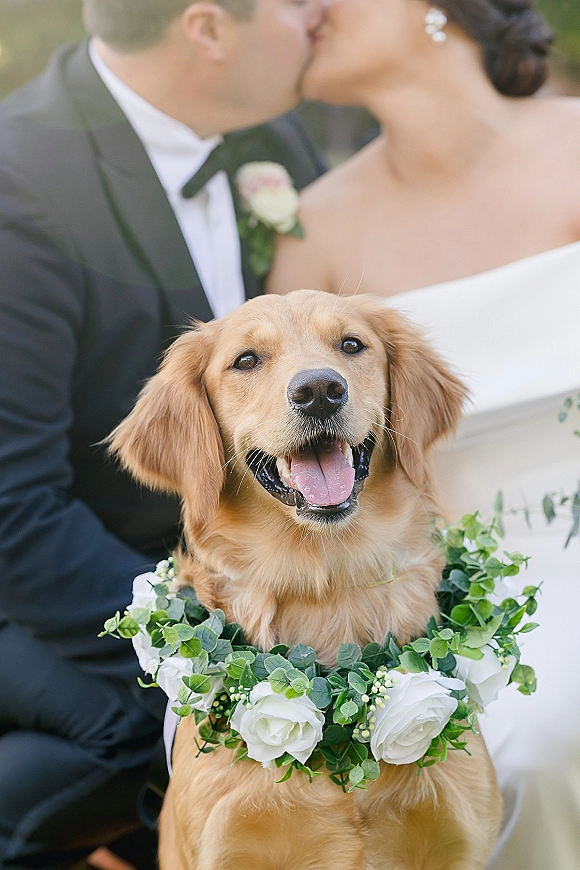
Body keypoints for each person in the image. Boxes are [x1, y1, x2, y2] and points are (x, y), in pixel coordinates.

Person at [0, 0, 325, 866]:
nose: (320, 12)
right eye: (296, 1)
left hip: (229, 566)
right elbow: (10, 505)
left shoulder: (274, 139)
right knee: (124, 732)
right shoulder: (17, 181)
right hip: (45, 579)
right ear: (208, 29)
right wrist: (220, 658)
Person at [268, 1, 580, 868]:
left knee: (545, 738)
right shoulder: (316, 225)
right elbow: (288, 444)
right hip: (419, 574)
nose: (304, 10)